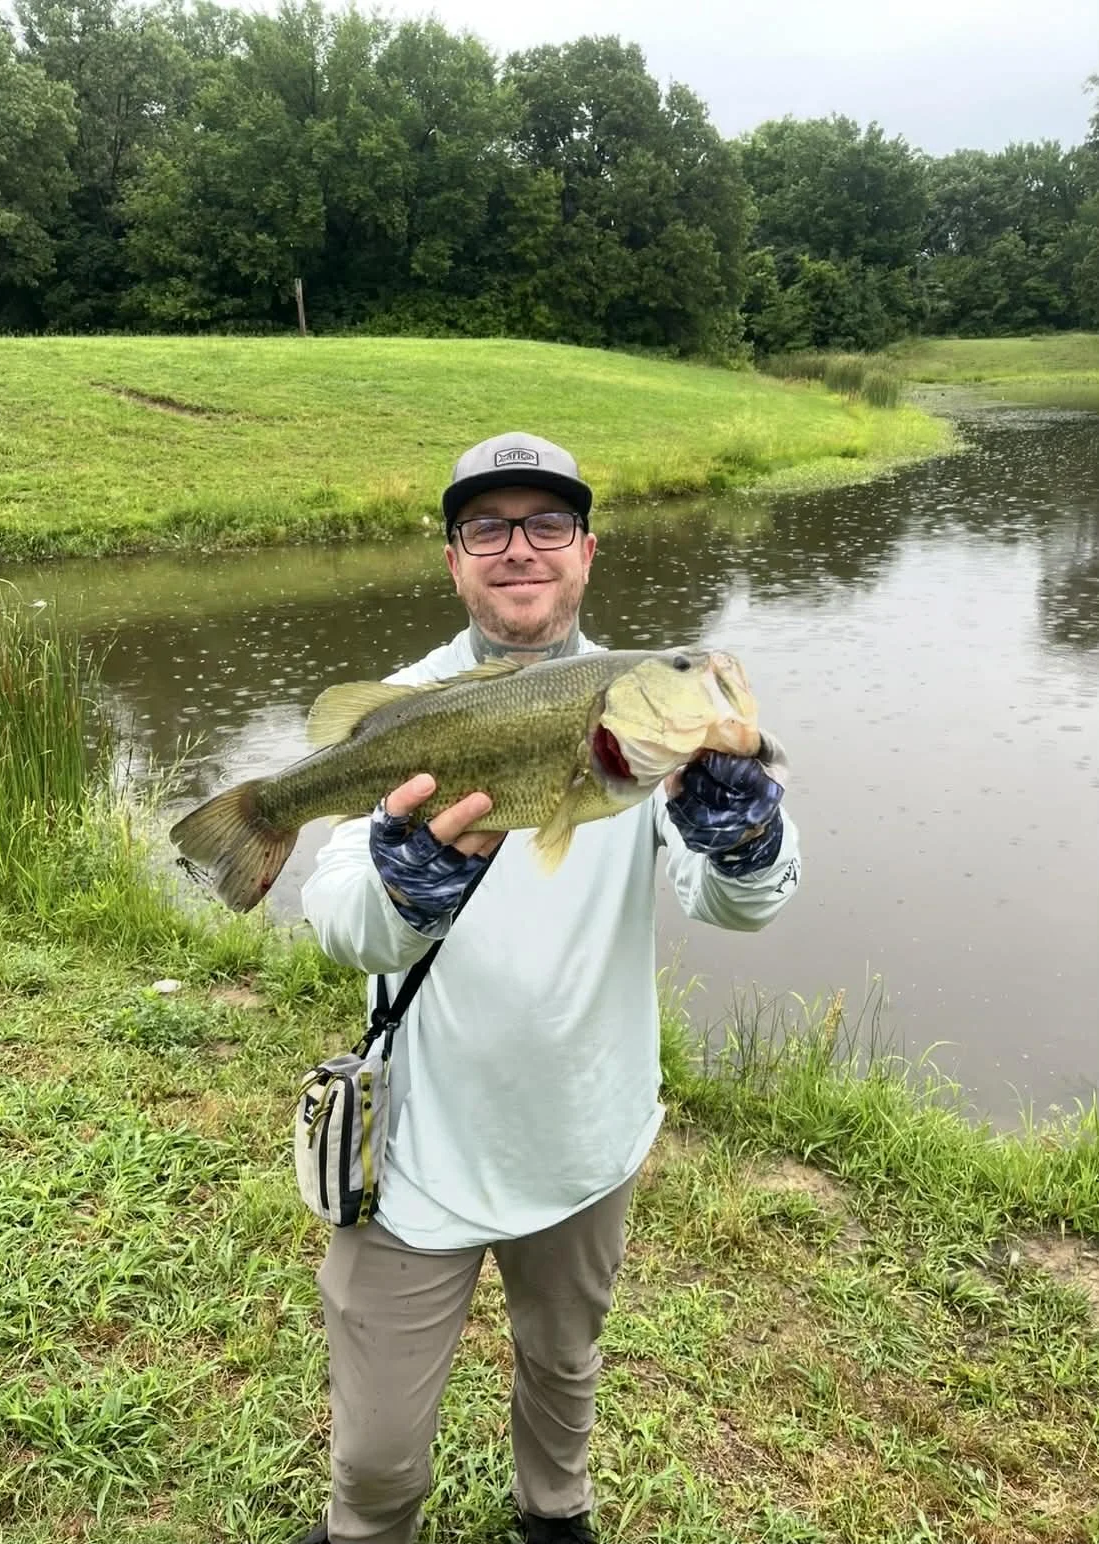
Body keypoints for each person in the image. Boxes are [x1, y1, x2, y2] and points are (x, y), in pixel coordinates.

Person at [297, 432, 802, 1544]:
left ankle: (554, 1515)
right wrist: (403, 883)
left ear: (586, 551)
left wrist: (747, 831)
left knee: (565, 1367)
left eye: (547, 524)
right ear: (454, 560)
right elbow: (335, 921)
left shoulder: (641, 711)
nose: (519, 549)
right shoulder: (412, 705)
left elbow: (739, 906)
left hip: (586, 1131)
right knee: (378, 1454)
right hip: (422, 1147)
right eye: (488, 526)